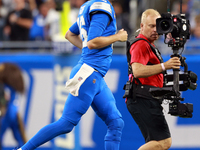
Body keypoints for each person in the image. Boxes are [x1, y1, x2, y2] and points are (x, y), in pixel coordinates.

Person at [16, 0, 128, 150]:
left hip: (95, 75)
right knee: (66, 123)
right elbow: (93, 42)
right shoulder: (101, 6)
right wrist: (117, 37)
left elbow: (69, 35)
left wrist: (88, 50)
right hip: (90, 74)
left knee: (116, 122)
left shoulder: (88, 6)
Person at [124, 9, 181, 150]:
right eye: (151, 26)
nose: (155, 30)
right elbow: (137, 71)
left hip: (144, 98)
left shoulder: (149, 44)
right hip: (142, 98)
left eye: (158, 25)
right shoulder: (141, 44)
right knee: (164, 142)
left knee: (155, 143)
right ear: (142, 26)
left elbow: (151, 73)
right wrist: (165, 65)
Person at [0, 63, 27, 149]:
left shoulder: (5, 86)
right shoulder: (14, 87)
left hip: (7, 113)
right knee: (20, 139)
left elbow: (4, 100)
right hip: (15, 112)